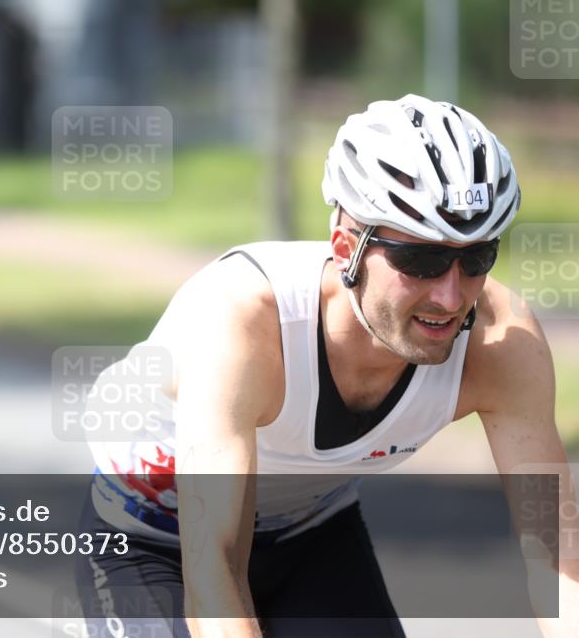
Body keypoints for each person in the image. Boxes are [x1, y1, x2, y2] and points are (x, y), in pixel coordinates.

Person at [73, 94, 579, 638]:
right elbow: (214, 567)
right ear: (346, 248)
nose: (451, 296)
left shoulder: (502, 341)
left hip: (310, 536)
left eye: (477, 258)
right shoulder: (243, 321)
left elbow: (557, 559)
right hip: (153, 541)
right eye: (422, 260)